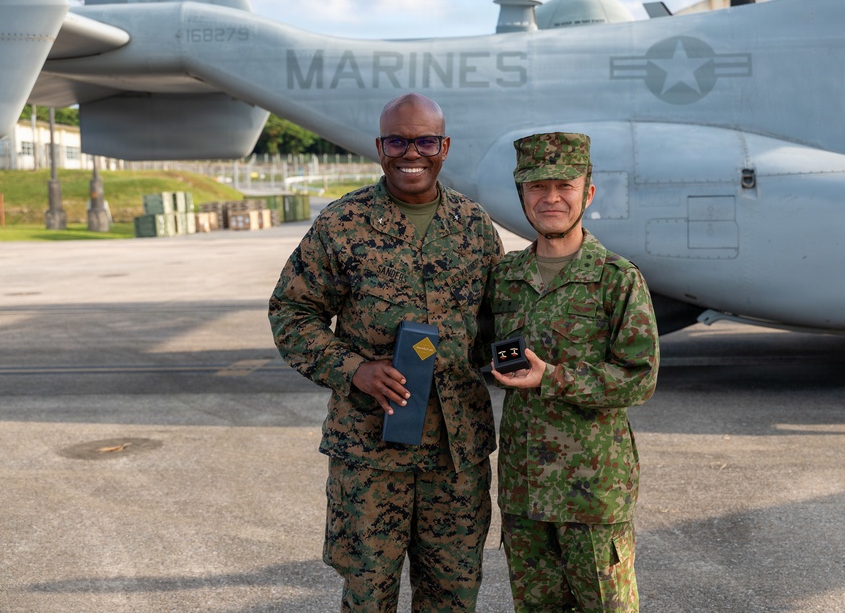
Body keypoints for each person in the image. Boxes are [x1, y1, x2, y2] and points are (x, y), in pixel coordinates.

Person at [268, 92, 504, 612]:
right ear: (380, 147)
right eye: (397, 140)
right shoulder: (342, 224)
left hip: (455, 456)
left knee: (453, 595)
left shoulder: (473, 228)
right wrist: (354, 370)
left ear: (444, 147)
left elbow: (498, 323)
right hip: (369, 456)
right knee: (368, 595)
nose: (410, 153)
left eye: (424, 140)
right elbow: (291, 313)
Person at [486, 132, 660, 611]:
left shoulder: (616, 278)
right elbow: (475, 347)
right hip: (524, 493)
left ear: (588, 192)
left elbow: (640, 377)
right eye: (537, 187)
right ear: (522, 195)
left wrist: (553, 377)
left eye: (564, 185)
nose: (551, 198)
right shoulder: (504, 278)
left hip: (593, 494)